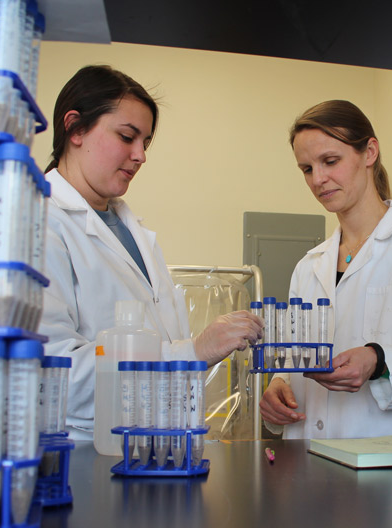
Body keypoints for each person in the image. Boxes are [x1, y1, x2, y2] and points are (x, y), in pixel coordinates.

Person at [39, 65, 263, 440]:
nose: (140, 155)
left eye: (145, 142)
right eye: (128, 137)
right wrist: (191, 352)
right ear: (75, 128)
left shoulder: (132, 230)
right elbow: (53, 375)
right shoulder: (42, 223)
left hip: (155, 451)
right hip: (87, 454)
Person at [259, 100, 392, 439]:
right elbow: (293, 357)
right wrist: (279, 385)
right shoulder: (308, 267)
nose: (318, 179)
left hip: (385, 456)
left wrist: (379, 361)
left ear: (369, 152)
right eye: (307, 169)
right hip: (308, 454)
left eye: (330, 161)